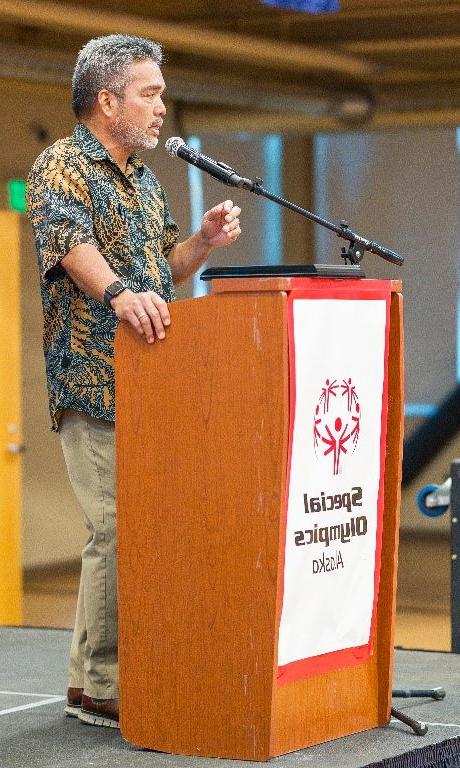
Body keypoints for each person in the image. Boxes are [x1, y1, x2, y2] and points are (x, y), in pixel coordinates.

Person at [26, 34, 242, 729]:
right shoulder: (62, 163)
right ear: (107, 98)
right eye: (149, 94)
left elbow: (165, 272)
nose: (161, 107)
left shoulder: (145, 181)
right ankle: (107, 682)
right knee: (116, 527)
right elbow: (70, 244)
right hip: (91, 377)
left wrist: (202, 243)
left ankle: (86, 683)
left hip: (153, 383)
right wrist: (119, 295)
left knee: (129, 529)